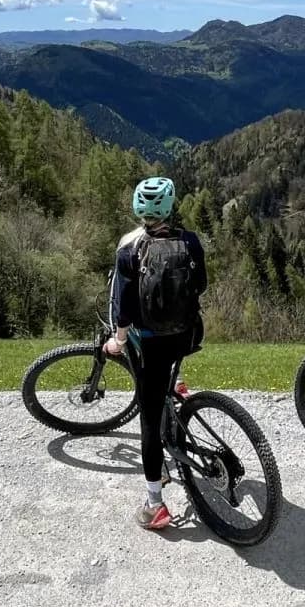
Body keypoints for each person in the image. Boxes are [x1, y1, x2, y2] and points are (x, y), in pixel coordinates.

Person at [102, 176, 208, 530]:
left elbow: (124, 311)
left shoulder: (129, 250)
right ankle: (172, 389)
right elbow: (202, 285)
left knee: (148, 421)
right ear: (171, 205)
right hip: (188, 336)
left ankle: (155, 504)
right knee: (163, 375)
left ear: (138, 208)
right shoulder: (190, 241)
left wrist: (117, 340)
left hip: (151, 342)